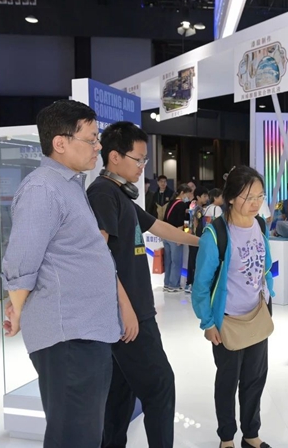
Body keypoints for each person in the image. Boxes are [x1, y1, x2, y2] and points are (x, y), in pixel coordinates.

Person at [1, 100, 123, 448]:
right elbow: (21, 262)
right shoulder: (43, 189)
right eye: (91, 138)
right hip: (69, 338)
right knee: (74, 436)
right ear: (60, 143)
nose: (98, 146)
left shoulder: (68, 185)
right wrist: (19, 308)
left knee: (84, 432)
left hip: (85, 331)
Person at [86, 121, 198, 448]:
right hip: (129, 315)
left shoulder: (119, 195)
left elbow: (160, 228)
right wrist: (125, 309)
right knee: (160, 386)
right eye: (138, 159)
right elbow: (97, 257)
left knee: (120, 394)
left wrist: (203, 241)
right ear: (115, 157)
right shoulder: (102, 194)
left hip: (130, 312)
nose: (142, 167)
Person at [191, 165, 275, 448]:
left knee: (255, 379)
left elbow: (265, 264)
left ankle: (251, 435)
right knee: (228, 383)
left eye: (260, 196)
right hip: (227, 321)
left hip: (257, 315)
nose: (255, 203)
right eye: (248, 197)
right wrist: (208, 323)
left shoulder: (260, 225)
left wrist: (269, 293)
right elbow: (201, 285)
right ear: (230, 198)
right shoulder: (216, 234)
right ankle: (227, 438)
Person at [163, 184, 194, 292]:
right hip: (174, 235)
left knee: (168, 261)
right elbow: (181, 222)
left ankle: (167, 283)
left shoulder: (171, 202)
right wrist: (181, 238)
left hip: (165, 234)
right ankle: (174, 284)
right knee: (176, 261)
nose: (189, 196)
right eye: (188, 194)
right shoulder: (181, 205)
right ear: (182, 193)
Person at [185, 187, 210, 293]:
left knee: (192, 260)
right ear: (198, 197)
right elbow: (196, 223)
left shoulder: (192, 205)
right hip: (196, 237)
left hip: (192, 236)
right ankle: (192, 284)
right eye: (204, 196)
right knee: (195, 261)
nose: (206, 198)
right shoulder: (198, 209)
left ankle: (189, 283)